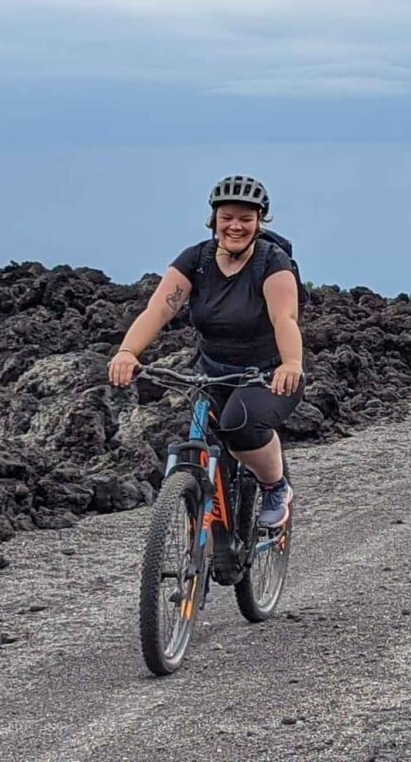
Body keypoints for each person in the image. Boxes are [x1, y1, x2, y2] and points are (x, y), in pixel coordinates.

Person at [107, 174, 305, 528]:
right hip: (212, 371)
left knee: (238, 426)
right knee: (203, 433)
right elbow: (159, 310)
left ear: (259, 221)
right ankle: (204, 542)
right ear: (213, 219)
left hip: (266, 374)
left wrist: (290, 363)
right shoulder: (196, 260)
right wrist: (127, 352)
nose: (235, 226)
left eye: (246, 218)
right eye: (227, 217)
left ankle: (275, 487)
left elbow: (284, 318)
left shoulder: (272, 263)